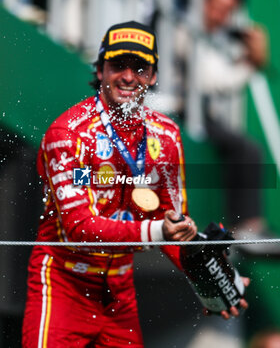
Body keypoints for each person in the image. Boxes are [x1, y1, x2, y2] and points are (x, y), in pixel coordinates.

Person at [22, 21, 248, 347]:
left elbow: (174, 227)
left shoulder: (167, 136)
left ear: (154, 76)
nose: (128, 76)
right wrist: (160, 231)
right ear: (100, 69)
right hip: (62, 282)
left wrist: (214, 280)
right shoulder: (68, 134)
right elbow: (79, 228)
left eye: (140, 68)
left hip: (119, 291)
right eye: (118, 65)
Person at [174, 0, 278, 256]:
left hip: (194, 112)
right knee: (247, 149)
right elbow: (213, 81)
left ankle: (246, 227)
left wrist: (249, 60)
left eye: (226, 12)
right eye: (216, 8)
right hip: (179, 113)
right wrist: (251, 62)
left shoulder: (209, 37)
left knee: (247, 148)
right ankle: (246, 227)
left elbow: (217, 78)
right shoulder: (183, 29)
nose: (220, 17)